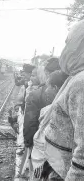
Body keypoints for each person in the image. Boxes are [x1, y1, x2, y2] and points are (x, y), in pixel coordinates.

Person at [43, 19, 84, 180]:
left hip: (64, 172)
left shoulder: (81, 82)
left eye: (69, 42)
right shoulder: (76, 77)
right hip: (58, 166)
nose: (65, 48)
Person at [28, 70, 68, 180]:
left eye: (48, 86)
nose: (46, 90)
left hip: (49, 165)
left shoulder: (53, 112)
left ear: (55, 87)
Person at [23, 57, 61, 149]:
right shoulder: (70, 90)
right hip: (61, 148)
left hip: (40, 145)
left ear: (46, 73)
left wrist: (28, 143)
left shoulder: (36, 94)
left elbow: (30, 122)